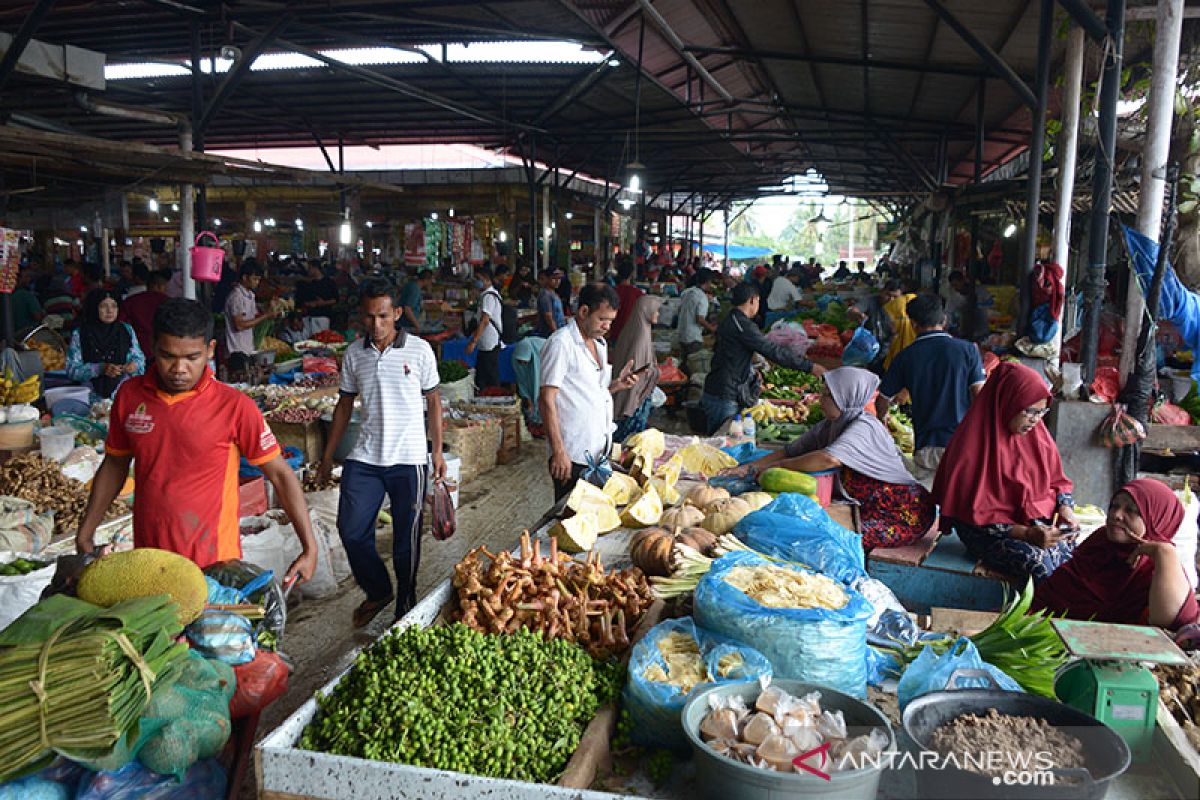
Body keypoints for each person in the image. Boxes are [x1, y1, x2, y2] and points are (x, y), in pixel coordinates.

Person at [75, 298, 317, 580]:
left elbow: (281, 475)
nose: (179, 369)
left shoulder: (235, 407)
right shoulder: (130, 397)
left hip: (215, 563)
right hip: (149, 560)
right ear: (152, 346)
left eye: (191, 358)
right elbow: (115, 464)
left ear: (210, 350)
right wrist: (86, 530)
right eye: (168, 356)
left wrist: (309, 548)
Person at [318, 278, 445, 626]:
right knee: (352, 530)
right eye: (370, 317)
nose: (376, 325)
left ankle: (407, 602)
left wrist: (436, 452)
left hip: (409, 460)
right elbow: (344, 406)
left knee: (406, 538)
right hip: (366, 458)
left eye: (384, 317)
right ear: (362, 317)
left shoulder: (419, 350)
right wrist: (329, 456)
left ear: (398, 314)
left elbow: (434, 402)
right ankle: (378, 590)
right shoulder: (355, 354)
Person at [729, 367, 935, 550]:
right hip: (866, 507)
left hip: (903, 513)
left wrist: (780, 467)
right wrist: (747, 468)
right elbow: (790, 450)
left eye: (828, 395)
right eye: (823, 393)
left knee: (827, 540)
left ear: (847, 397)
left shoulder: (864, 426)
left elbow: (829, 459)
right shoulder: (830, 425)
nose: (821, 399)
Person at [933, 362, 1077, 582]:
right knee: (1040, 565)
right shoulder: (971, 446)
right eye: (1028, 411)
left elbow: (1058, 482)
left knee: (1070, 553)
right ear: (1007, 403)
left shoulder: (1038, 438)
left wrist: (1065, 509)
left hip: (1032, 522)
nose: (1035, 420)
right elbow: (974, 517)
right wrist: (1026, 534)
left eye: (1041, 412)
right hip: (987, 533)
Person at [1034, 479, 1199, 630]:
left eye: (1132, 511)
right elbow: (1050, 596)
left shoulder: (1159, 566)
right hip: (1048, 641)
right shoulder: (1100, 542)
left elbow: (1169, 623)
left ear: (1156, 520)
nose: (1116, 515)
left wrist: (1163, 552)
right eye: (1114, 506)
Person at [540, 283, 639, 499]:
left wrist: (617, 385)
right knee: (571, 517)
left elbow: (593, 391)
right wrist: (558, 451)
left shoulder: (599, 345)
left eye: (611, 321)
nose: (607, 326)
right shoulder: (561, 344)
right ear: (584, 311)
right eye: (602, 319)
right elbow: (547, 400)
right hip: (572, 453)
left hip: (598, 452)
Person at [878, 294, 986, 486]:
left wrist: (882, 419)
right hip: (964, 445)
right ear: (944, 320)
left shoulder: (906, 356)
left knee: (928, 506)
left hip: (927, 448)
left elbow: (883, 397)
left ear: (913, 324)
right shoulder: (968, 350)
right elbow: (980, 396)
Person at [700, 282, 825, 434]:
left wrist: (752, 368)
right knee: (721, 443)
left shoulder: (731, 319)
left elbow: (733, 352)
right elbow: (771, 350)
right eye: (758, 301)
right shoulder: (742, 325)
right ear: (752, 300)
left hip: (721, 390)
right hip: (724, 395)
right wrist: (810, 367)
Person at [66, 289, 146, 399]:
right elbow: (71, 369)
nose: (110, 311)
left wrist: (134, 366)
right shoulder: (81, 333)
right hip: (90, 398)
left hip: (123, 395)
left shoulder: (126, 330)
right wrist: (100, 368)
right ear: (94, 308)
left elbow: (140, 360)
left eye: (114, 306)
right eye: (103, 306)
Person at [611, 295, 662, 441]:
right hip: (633, 399)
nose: (658, 314)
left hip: (630, 394)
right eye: (656, 311)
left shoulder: (639, 329)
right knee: (628, 440)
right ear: (647, 310)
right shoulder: (640, 336)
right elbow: (639, 372)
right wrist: (656, 371)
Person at [223, 261, 276, 372]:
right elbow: (239, 325)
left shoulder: (250, 295)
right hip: (236, 351)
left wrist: (269, 309)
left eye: (258, 279)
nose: (257, 282)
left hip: (248, 348)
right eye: (254, 279)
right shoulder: (236, 297)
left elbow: (254, 316)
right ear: (244, 277)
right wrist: (266, 315)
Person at [465, 265, 504, 390]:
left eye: (478, 278)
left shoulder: (488, 296)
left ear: (486, 279)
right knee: (481, 375)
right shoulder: (485, 295)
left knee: (490, 376)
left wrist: (473, 341)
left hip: (489, 342)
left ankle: (495, 399)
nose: (477, 281)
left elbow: (485, 320)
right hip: (486, 342)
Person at [119, 268, 170, 359]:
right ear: (158, 285)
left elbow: (122, 324)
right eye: (165, 287)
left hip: (136, 349)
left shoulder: (131, 301)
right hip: (163, 348)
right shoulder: (168, 302)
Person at [677, 269, 717, 376]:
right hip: (693, 337)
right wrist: (713, 329)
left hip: (681, 334)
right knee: (693, 367)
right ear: (708, 282)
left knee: (684, 365)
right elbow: (700, 319)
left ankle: (682, 388)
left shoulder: (686, 292)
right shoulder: (702, 297)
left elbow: (679, 310)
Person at [947, 270, 991, 341]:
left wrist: (979, 306)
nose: (955, 288)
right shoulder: (953, 297)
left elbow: (990, 304)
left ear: (962, 281)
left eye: (956, 285)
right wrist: (949, 326)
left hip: (982, 330)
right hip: (963, 330)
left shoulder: (981, 291)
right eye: (953, 286)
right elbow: (948, 312)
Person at [609, 258, 644, 342]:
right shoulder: (637, 293)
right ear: (631, 275)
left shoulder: (611, 291)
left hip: (614, 333)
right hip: (632, 334)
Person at [7, 266, 44, 334]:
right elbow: (38, 316)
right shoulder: (26, 295)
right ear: (18, 278)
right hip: (27, 335)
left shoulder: (6, 296)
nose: (29, 279)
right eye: (26, 277)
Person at [535, 269, 567, 337]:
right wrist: (556, 333)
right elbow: (548, 317)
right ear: (547, 279)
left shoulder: (554, 293)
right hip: (549, 334)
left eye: (559, 279)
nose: (557, 281)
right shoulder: (545, 295)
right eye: (554, 278)